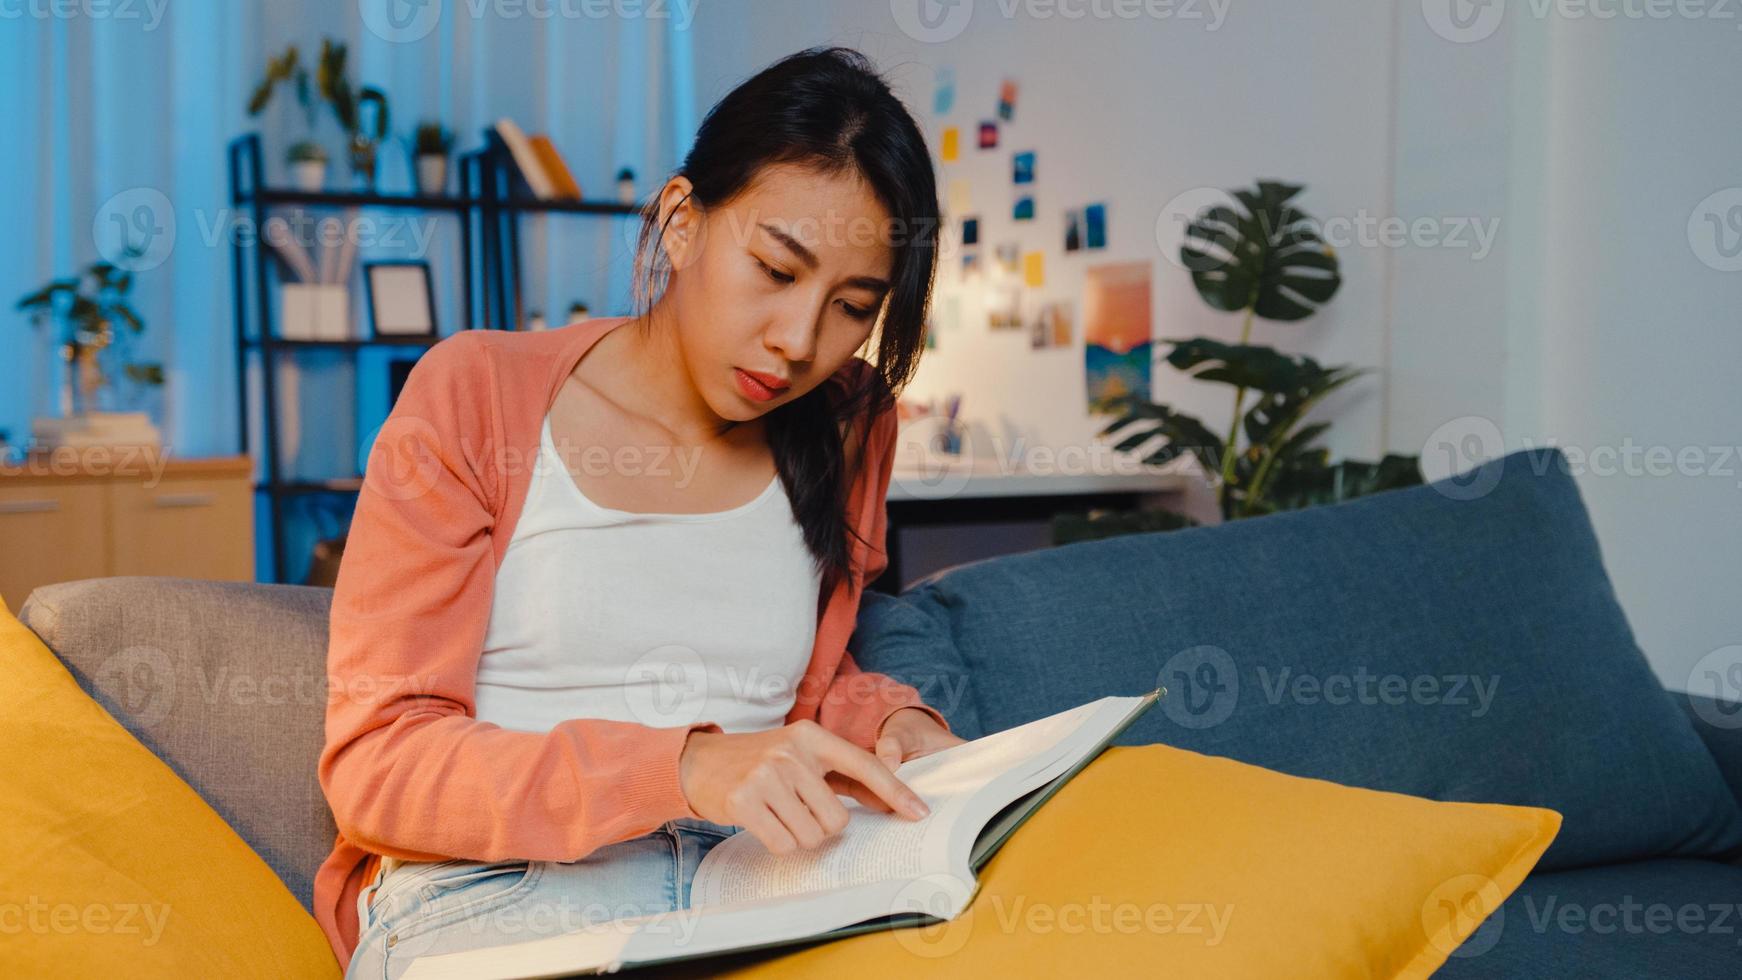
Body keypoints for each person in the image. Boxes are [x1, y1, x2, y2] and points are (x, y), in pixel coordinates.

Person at [314, 46, 963, 978]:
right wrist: (684, 769)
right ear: (682, 219)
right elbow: (381, 766)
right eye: (777, 270)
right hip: (496, 888)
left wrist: (889, 723)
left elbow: (794, 688)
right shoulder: (475, 395)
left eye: (851, 306)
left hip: (755, 884)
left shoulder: (853, 422)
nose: (797, 343)